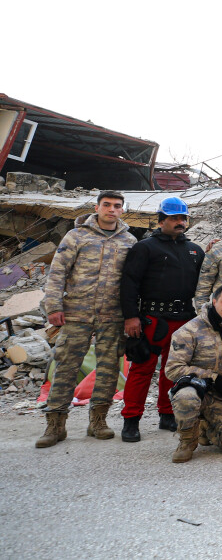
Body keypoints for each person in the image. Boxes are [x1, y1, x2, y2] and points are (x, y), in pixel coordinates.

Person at [37, 191, 136, 448]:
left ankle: (98, 421)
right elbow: (57, 272)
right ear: (97, 207)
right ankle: (55, 425)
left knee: (109, 368)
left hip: (112, 315)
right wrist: (53, 306)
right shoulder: (76, 236)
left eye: (117, 206)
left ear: (122, 210)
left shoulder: (129, 241)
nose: (111, 209)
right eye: (107, 205)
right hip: (76, 312)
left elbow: (133, 280)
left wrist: (131, 313)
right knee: (66, 366)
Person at [119, 197, 205, 442]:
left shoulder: (195, 251)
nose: (180, 222)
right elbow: (129, 283)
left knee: (174, 370)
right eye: (174, 218)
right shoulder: (144, 248)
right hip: (152, 319)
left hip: (184, 319)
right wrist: (131, 317)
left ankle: (167, 415)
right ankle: (131, 420)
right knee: (141, 369)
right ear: (161, 221)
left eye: (183, 218)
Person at [165, 284, 222, 462]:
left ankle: (206, 427)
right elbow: (173, 368)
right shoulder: (189, 330)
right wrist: (213, 377)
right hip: (195, 389)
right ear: (214, 301)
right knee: (186, 397)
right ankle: (187, 441)